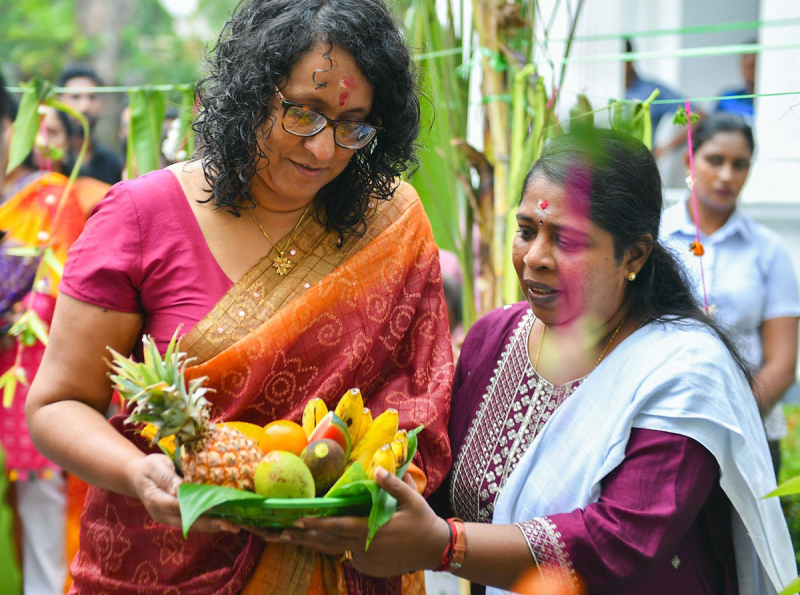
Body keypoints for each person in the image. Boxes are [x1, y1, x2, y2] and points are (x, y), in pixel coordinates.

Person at [26, 1, 453, 593]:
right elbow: (55, 405)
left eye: (354, 124)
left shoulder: (393, 227)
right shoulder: (141, 215)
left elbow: (418, 403)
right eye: (305, 113)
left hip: (342, 564)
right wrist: (137, 472)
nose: (325, 150)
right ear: (251, 92)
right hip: (161, 562)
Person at [282, 129, 796, 595]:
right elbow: (439, 489)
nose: (535, 258)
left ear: (634, 256)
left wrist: (444, 545)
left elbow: (619, 543)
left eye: (566, 240)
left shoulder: (683, 370)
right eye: (527, 229)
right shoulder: (493, 339)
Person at [662, 113, 799, 476]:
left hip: (750, 430)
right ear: (689, 159)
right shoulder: (653, 240)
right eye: (714, 160)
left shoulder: (768, 251)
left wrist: (728, 425)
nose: (727, 176)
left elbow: (782, 365)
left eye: (739, 165)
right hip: (662, 427)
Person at [57, 65, 123, 185]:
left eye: (92, 97)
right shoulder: (47, 160)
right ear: (59, 101)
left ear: (102, 102)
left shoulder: (113, 164)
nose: (85, 106)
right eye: (75, 97)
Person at [715, 40, 757, 124]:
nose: (748, 71)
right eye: (745, 65)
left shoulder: (774, 99)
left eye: (752, 66)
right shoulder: (728, 99)